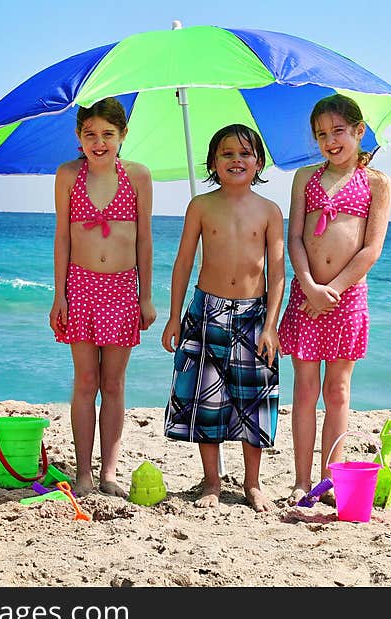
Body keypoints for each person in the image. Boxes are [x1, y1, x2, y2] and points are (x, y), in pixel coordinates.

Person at [161, 124, 285, 512]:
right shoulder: (201, 206)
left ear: (259, 162)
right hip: (206, 310)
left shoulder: (269, 210)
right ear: (213, 163)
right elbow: (183, 262)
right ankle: (211, 481)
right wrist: (174, 316)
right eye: (227, 154)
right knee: (205, 397)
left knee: (254, 399)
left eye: (245, 154)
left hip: (254, 314)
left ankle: (252, 483)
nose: (236, 160)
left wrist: (270, 325)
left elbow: (278, 272)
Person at [277, 94, 391, 506]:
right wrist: (308, 284)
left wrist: (334, 290)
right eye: (322, 134)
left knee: (338, 390)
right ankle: (301, 479)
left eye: (339, 131)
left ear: (359, 132)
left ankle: (332, 476)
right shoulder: (305, 178)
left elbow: (370, 249)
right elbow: (295, 237)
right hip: (307, 295)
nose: (331, 140)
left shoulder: (376, 182)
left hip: (346, 298)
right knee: (304, 390)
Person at [49, 97, 156, 498]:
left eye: (107, 134)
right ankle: (83, 474)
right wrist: (58, 295)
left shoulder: (139, 176)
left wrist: (146, 295)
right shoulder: (67, 175)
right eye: (90, 134)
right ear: (78, 137)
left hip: (122, 289)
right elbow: (63, 237)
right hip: (80, 286)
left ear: (122, 136)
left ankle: (108, 472)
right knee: (86, 381)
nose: (99, 142)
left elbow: (144, 240)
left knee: (113, 384)